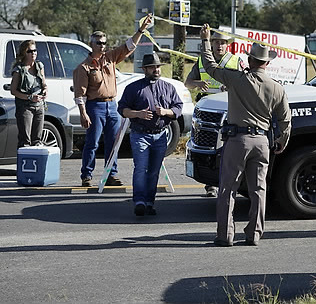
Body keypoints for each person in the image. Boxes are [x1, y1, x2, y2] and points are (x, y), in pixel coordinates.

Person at [199, 23, 291, 246]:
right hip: (262, 142)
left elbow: (210, 67)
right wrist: (281, 141)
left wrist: (205, 41)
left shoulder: (237, 79)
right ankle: (254, 234)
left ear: (249, 61)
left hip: (238, 141)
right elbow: (285, 119)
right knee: (259, 189)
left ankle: (225, 235)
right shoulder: (277, 88)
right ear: (267, 63)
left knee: (228, 189)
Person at [73, 14, 153, 187]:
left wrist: (141, 30)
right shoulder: (84, 67)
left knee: (114, 142)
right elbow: (80, 94)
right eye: (98, 43)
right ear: (91, 44)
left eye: (104, 43)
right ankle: (86, 175)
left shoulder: (110, 58)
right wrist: (83, 113)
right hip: (95, 106)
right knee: (92, 142)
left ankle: (111, 174)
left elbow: (129, 46)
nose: (102, 46)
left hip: (112, 104)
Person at [118, 53, 183, 216]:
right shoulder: (133, 88)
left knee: (154, 171)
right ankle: (139, 201)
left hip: (161, 135)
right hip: (140, 135)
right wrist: (137, 114)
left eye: (158, 67)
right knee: (141, 168)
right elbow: (122, 110)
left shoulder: (168, 87)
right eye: (153, 67)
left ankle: (149, 202)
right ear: (145, 69)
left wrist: (166, 111)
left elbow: (178, 108)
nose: (156, 70)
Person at [185, 30, 244, 198]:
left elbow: (246, 84)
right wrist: (197, 83)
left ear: (228, 45)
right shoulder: (202, 61)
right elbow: (187, 83)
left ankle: (231, 184)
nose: (219, 45)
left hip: (229, 110)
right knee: (211, 150)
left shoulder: (236, 61)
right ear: (211, 43)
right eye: (216, 42)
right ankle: (211, 185)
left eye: (223, 43)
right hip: (208, 114)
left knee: (230, 150)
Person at [10, 40, 48, 148]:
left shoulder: (39, 66)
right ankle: (24, 163)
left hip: (39, 106)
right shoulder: (19, 70)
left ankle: (37, 164)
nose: (33, 53)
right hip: (25, 107)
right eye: (30, 51)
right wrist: (30, 97)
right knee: (25, 140)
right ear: (24, 53)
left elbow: (44, 84)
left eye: (35, 50)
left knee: (37, 140)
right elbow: (13, 91)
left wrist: (45, 91)